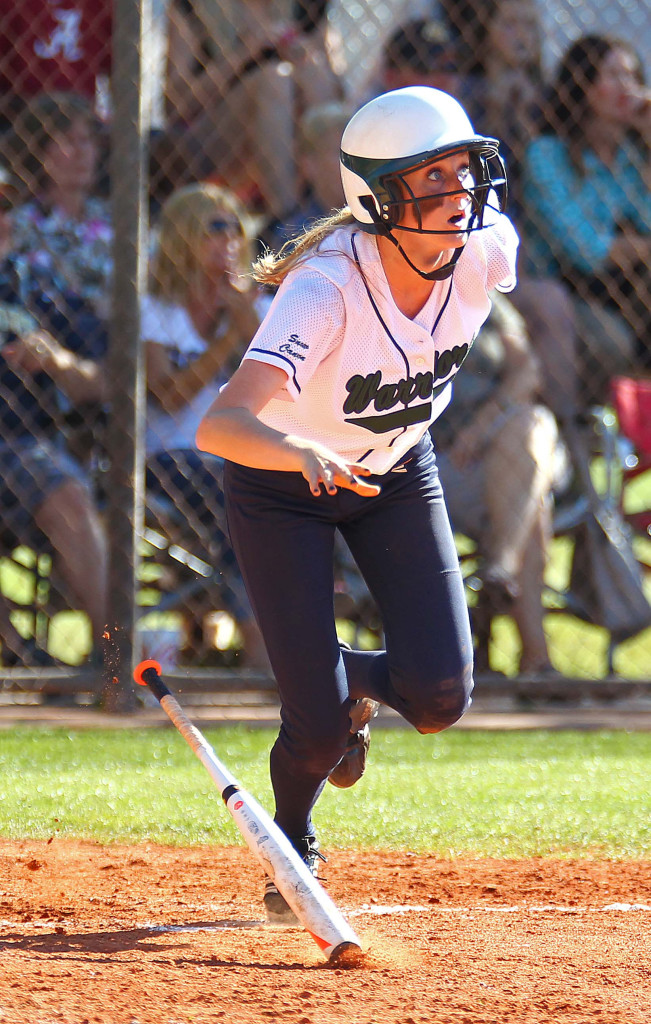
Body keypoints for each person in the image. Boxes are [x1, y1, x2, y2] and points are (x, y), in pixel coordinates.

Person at [196, 86, 518, 920]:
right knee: (314, 725)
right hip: (285, 488)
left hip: (397, 472)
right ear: (375, 199)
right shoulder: (326, 288)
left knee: (442, 695)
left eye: (462, 171)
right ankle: (293, 840)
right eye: (430, 178)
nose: (458, 195)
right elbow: (221, 423)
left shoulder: (486, 248)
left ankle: (345, 687)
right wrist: (298, 449)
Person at [143, 182, 268, 669]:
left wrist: (246, 325)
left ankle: (268, 633)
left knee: (260, 490)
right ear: (184, 236)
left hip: (235, 450)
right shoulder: (158, 309)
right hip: (169, 452)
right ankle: (260, 640)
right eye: (217, 227)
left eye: (237, 227)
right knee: (238, 497)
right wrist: (227, 340)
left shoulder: (249, 310)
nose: (232, 239)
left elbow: (287, 385)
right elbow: (167, 392)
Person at [0, 173, 108, 669]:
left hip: (22, 445)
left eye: (4, 208)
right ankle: (21, 658)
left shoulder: (34, 287)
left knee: (67, 492)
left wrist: (56, 360)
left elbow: (102, 382)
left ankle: (113, 664)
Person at [514, 35, 651, 418]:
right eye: (613, 75)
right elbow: (586, 252)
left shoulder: (630, 155)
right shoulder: (547, 155)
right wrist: (638, 247)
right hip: (567, 288)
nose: (629, 88)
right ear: (584, 85)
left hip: (629, 286)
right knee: (612, 343)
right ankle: (582, 429)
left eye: (633, 76)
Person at [433, 290, 560, 678]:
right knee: (533, 508)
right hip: (427, 462)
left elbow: (527, 370)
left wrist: (482, 425)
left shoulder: (479, 290)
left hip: (492, 452)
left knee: (532, 424)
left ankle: (501, 570)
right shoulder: (394, 289)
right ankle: (536, 660)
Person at [8, 91, 112, 326]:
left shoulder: (117, 220)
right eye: (67, 141)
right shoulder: (19, 224)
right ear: (39, 150)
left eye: (87, 140)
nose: (81, 152)